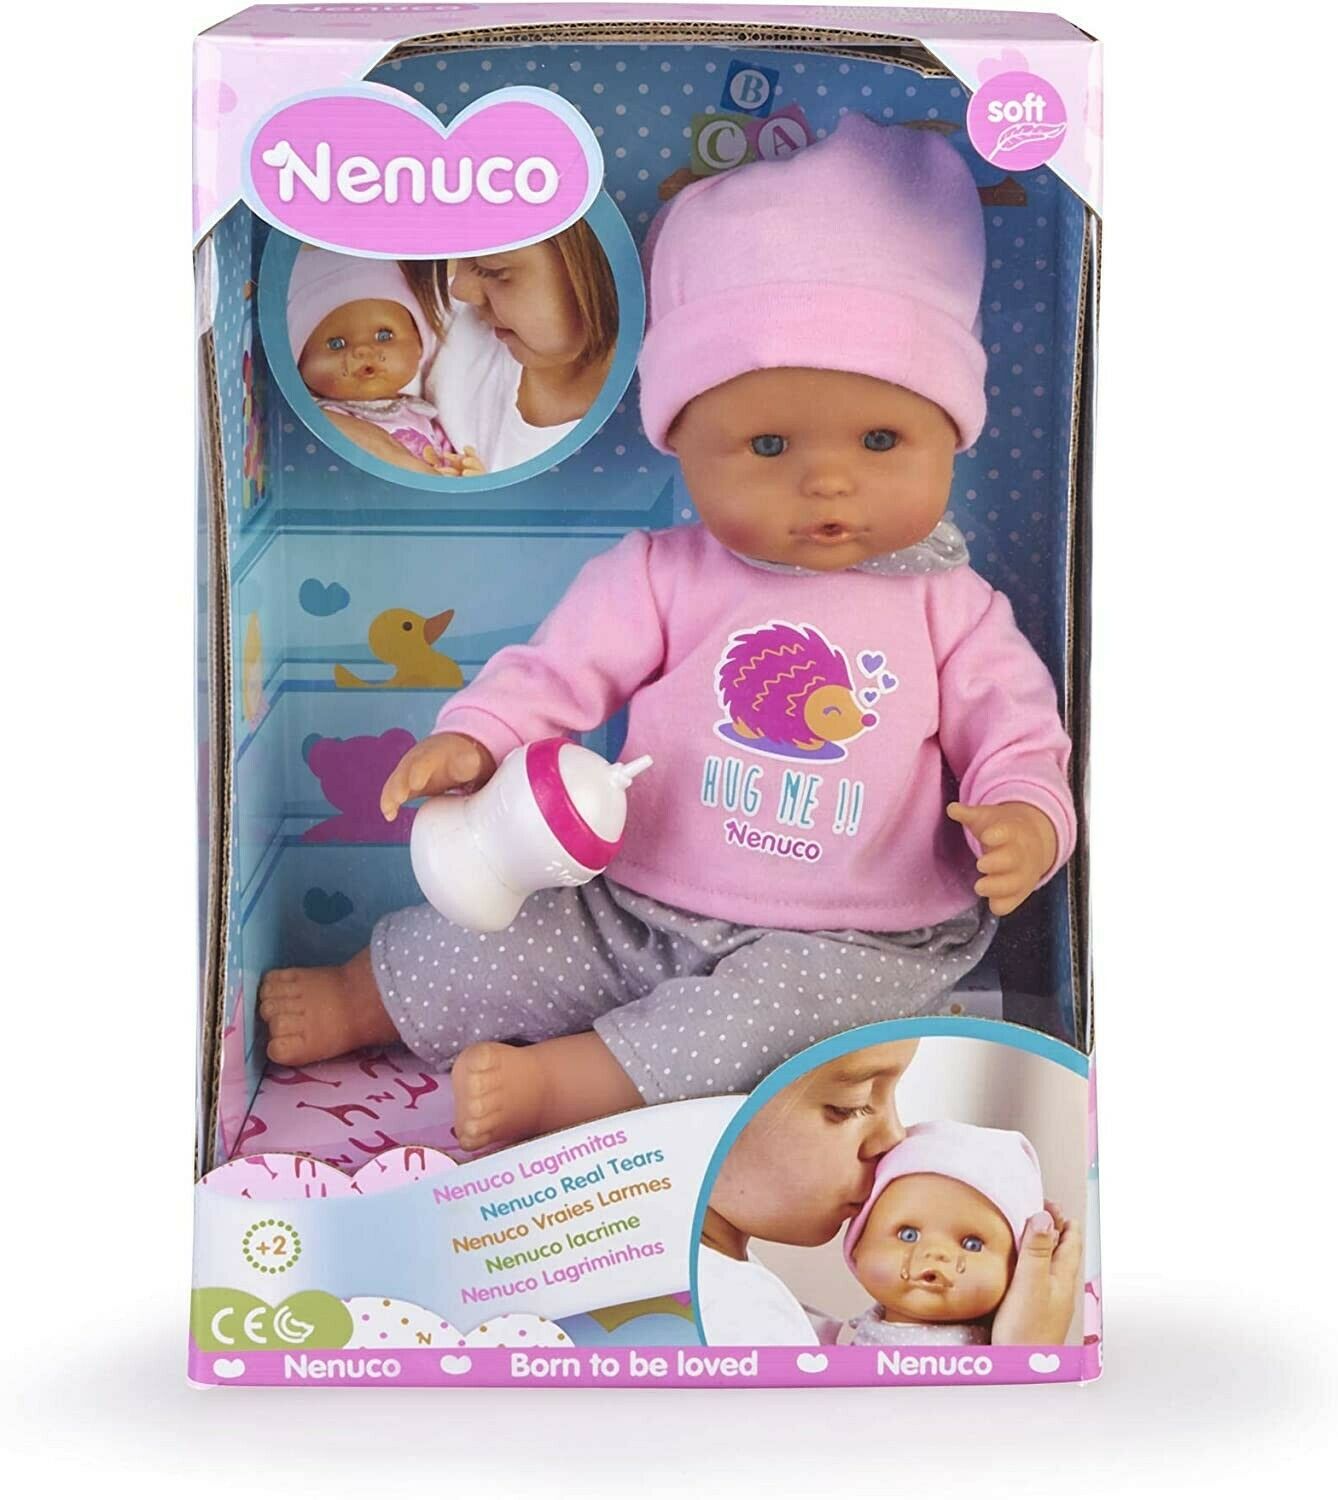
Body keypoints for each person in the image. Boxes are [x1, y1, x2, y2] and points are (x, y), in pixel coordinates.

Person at [259, 118, 1075, 1155]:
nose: (828, 481)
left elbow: (1019, 733)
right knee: (506, 932)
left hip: (859, 939)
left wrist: (1026, 819)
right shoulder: (662, 574)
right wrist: (480, 738)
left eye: (881, 440)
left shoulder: (951, 606)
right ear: (680, 438)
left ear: (951, 434)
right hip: (632, 900)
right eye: (768, 444)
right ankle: (361, 996)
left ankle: (569, 1086)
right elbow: (556, 672)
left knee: (770, 1029)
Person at [697, 1041, 1081, 1347]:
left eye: (972, 1243)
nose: (894, 1136)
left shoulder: (733, 1290)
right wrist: (1027, 1361)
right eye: (850, 1105)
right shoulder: (728, 1312)